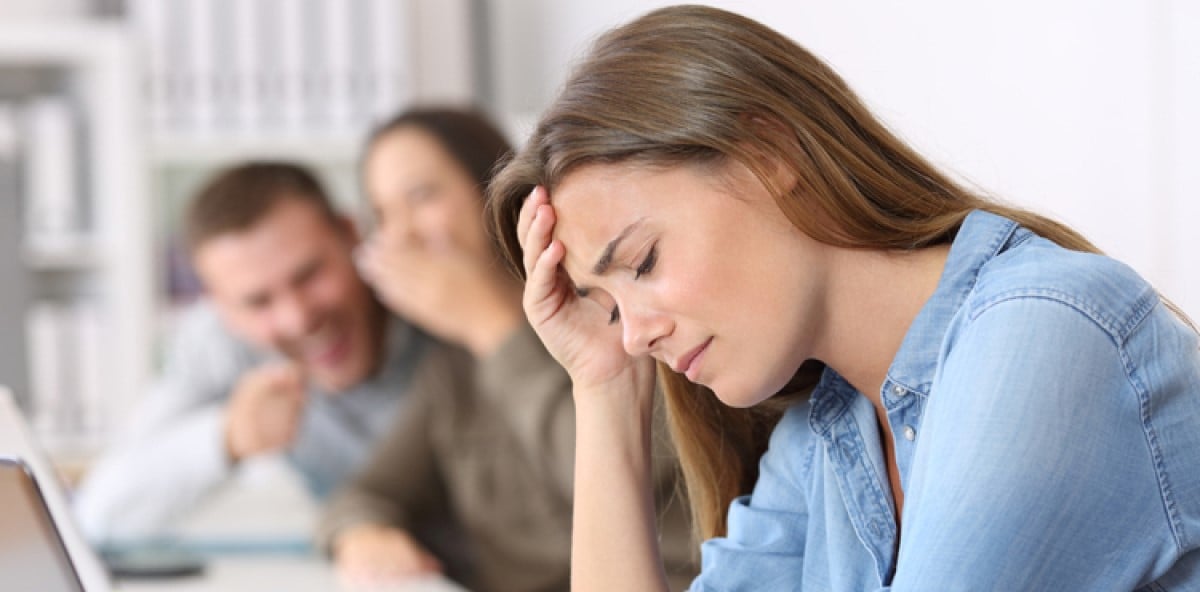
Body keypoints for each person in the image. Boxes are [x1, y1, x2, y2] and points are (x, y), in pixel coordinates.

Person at [486, 5, 1200, 591]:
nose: (635, 333)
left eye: (642, 262)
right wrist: (605, 385)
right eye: (608, 305)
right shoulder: (822, 445)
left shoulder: (1043, 332)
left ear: (771, 155)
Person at [316, 108, 698, 591]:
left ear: (495, 189)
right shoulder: (451, 367)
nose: (402, 234)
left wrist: (492, 326)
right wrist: (360, 533)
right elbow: (366, 493)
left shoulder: (625, 315)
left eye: (421, 196)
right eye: (383, 214)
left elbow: (606, 472)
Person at [73, 162, 428, 543]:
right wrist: (228, 437)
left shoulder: (435, 311)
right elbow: (100, 513)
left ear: (350, 234)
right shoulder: (218, 341)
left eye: (309, 275)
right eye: (258, 302)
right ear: (220, 306)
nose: (297, 319)